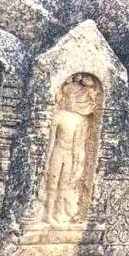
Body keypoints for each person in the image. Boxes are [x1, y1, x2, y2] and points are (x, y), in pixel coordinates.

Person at [41, 74, 98, 224]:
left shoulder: (78, 120)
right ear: (67, 96)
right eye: (71, 96)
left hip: (69, 155)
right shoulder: (58, 116)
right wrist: (46, 161)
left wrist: (76, 163)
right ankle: (48, 213)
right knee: (52, 185)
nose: (73, 101)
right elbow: (51, 141)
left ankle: (59, 212)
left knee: (64, 185)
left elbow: (77, 144)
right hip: (57, 152)